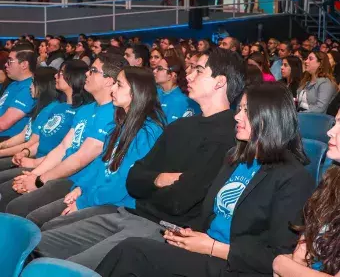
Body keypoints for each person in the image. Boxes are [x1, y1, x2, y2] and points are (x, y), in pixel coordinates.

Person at [32, 50, 245, 270]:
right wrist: (159, 179)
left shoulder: (228, 137)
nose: (189, 76)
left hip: (161, 227)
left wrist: (149, 182)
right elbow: (133, 180)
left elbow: (180, 200)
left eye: (199, 71)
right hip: (128, 213)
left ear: (220, 82)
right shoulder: (179, 126)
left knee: (67, 268)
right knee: (37, 244)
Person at [95, 82, 315, 277]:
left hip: (235, 266)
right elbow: (210, 216)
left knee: (131, 252)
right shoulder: (234, 158)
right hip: (207, 251)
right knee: (133, 251)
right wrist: (192, 234)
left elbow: (278, 258)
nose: (237, 116)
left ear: (270, 117)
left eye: (247, 111)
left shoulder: (293, 178)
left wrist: (212, 247)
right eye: (239, 109)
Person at [27, 67, 166, 227]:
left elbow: (123, 183)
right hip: (99, 194)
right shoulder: (122, 121)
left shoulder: (147, 132)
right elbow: (101, 163)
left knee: (47, 225)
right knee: (39, 218)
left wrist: (83, 202)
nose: (113, 88)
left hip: (121, 205)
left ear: (137, 91)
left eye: (119, 85)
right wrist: (80, 188)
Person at [0, 54, 127, 217]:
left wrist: (39, 180)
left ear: (109, 81)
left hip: (78, 180)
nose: (87, 74)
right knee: (9, 194)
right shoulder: (86, 110)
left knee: (20, 208)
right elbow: (63, 147)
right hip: (62, 173)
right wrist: (33, 175)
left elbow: (80, 158)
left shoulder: (113, 114)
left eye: (93, 71)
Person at [0, 61, 92, 185]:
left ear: (73, 77)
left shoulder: (81, 112)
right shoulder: (57, 108)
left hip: (50, 166)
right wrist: (25, 152)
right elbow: (37, 140)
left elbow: (65, 151)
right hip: (37, 160)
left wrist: (34, 165)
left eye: (61, 73)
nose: (56, 76)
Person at [273, 109, 340, 277]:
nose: (330, 131)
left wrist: (281, 264)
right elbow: (302, 252)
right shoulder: (333, 179)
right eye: (336, 122)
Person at [0, 67, 58, 169]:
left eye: (33, 83)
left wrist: (1, 152)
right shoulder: (39, 107)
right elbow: (23, 135)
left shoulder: (50, 110)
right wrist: (3, 145)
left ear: (44, 86)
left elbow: (31, 143)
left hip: (32, 156)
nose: (30, 87)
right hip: (24, 151)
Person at [0, 43, 36, 141]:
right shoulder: (14, 84)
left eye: (10, 61)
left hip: (6, 139)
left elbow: (3, 124)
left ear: (24, 65)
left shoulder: (29, 88)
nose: (6, 65)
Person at [154, 55, 200, 124]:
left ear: (172, 75)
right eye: (155, 68)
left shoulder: (182, 100)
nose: (154, 71)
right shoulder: (155, 92)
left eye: (159, 68)